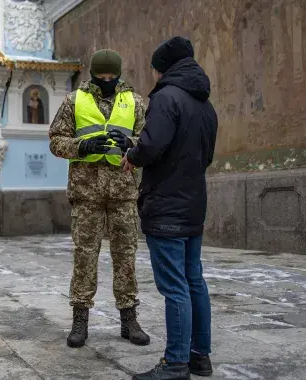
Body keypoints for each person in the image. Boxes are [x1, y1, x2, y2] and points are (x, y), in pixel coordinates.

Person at [118, 37, 218, 380]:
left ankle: (175, 364)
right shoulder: (205, 105)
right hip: (193, 203)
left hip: (166, 204)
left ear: (164, 68)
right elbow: (206, 155)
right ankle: (199, 356)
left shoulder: (165, 98)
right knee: (194, 281)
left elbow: (152, 146)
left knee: (175, 286)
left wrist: (131, 155)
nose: (154, 75)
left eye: (155, 69)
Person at [49, 49, 150, 349]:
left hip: (123, 191)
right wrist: (81, 146)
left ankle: (129, 319)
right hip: (86, 192)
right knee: (84, 256)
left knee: (125, 256)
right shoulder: (73, 101)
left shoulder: (135, 102)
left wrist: (131, 143)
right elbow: (56, 140)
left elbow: (150, 142)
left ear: (119, 74)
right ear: (92, 74)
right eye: (101, 76)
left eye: (112, 76)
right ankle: (80, 319)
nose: (107, 80)